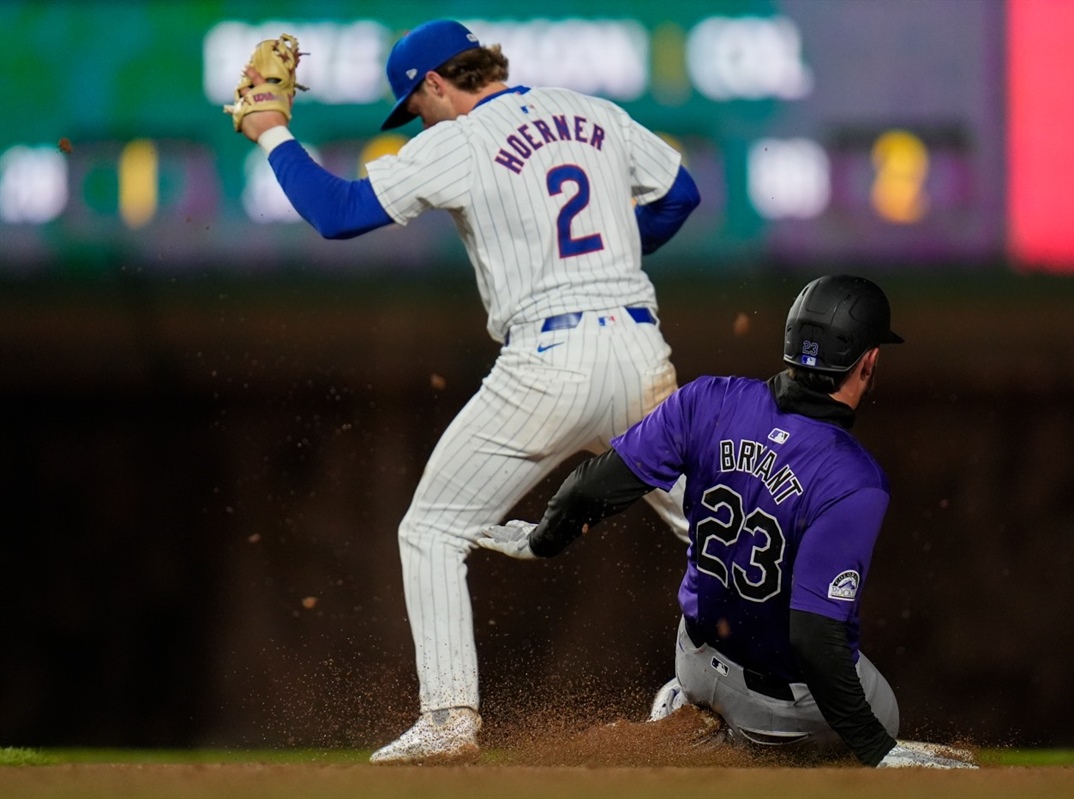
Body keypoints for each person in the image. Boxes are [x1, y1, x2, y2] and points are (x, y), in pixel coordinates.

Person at [230, 19, 700, 764]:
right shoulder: (594, 112)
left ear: (436, 84)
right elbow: (682, 193)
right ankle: (750, 690)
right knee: (718, 530)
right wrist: (607, 252)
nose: (419, 117)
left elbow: (338, 213)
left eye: (415, 105)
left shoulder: (459, 139)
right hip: (642, 351)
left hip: (548, 360)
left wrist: (271, 134)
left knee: (434, 529)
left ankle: (450, 719)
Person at [479, 275, 978, 769]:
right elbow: (814, 637)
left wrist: (543, 540)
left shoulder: (708, 400)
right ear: (869, 361)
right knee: (879, 709)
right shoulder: (854, 477)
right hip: (781, 703)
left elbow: (595, 486)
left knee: (766, 653)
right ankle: (754, 743)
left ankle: (691, 709)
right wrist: (878, 749)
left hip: (693, 659)